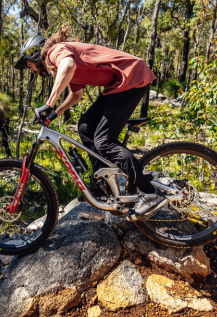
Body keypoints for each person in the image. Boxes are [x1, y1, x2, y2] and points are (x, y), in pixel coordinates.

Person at [14, 24, 167, 222]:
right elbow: (76, 94)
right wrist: (55, 113)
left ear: (35, 55)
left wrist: (48, 104)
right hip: (118, 84)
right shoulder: (60, 62)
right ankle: (101, 186)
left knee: (104, 141)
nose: (32, 70)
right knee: (85, 125)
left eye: (29, 65)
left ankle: (150, 191)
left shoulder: (54, 52)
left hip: (130, 77)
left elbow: (67, 66)